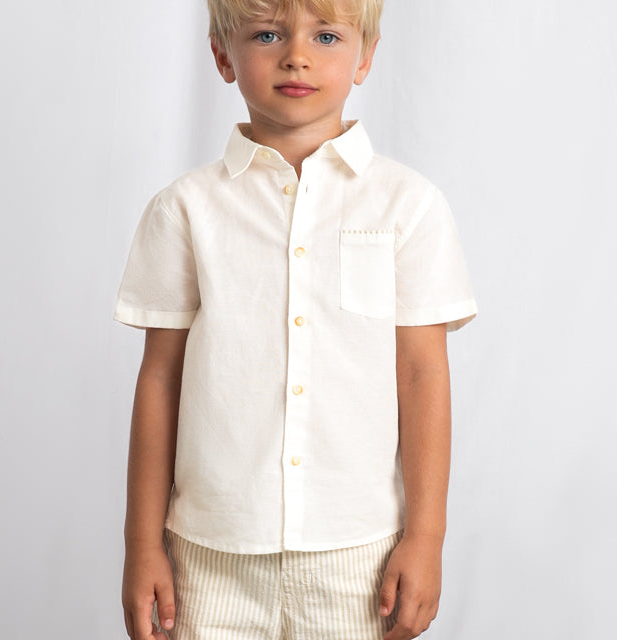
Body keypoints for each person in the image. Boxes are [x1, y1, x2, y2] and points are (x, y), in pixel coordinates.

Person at [115, 1, 477, 638]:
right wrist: (142, 545)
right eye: (267, 34)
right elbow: (161, 380)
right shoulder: (185, 209)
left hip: (360, 555)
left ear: (366, 55)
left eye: (327, 35)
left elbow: (422, 375)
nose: (297, 57)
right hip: (210, 553)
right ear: (222, 55)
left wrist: (426, 537)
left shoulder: (408, 205)